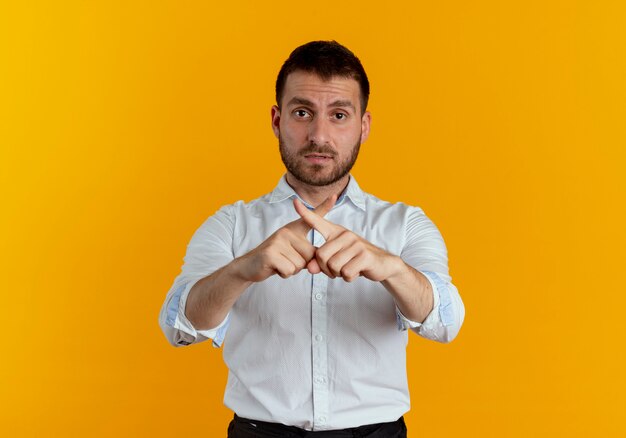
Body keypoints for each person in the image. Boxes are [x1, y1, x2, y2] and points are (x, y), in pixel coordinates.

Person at [159, 40, 465, 437]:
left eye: (339, 115)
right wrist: (242, 270)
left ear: (364, 126)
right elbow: (178, 327)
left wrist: (390, 268)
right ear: (276, 120)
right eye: (303, 112)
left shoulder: (405, 224)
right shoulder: (230, 224)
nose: (319, 135)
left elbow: (445, 324)